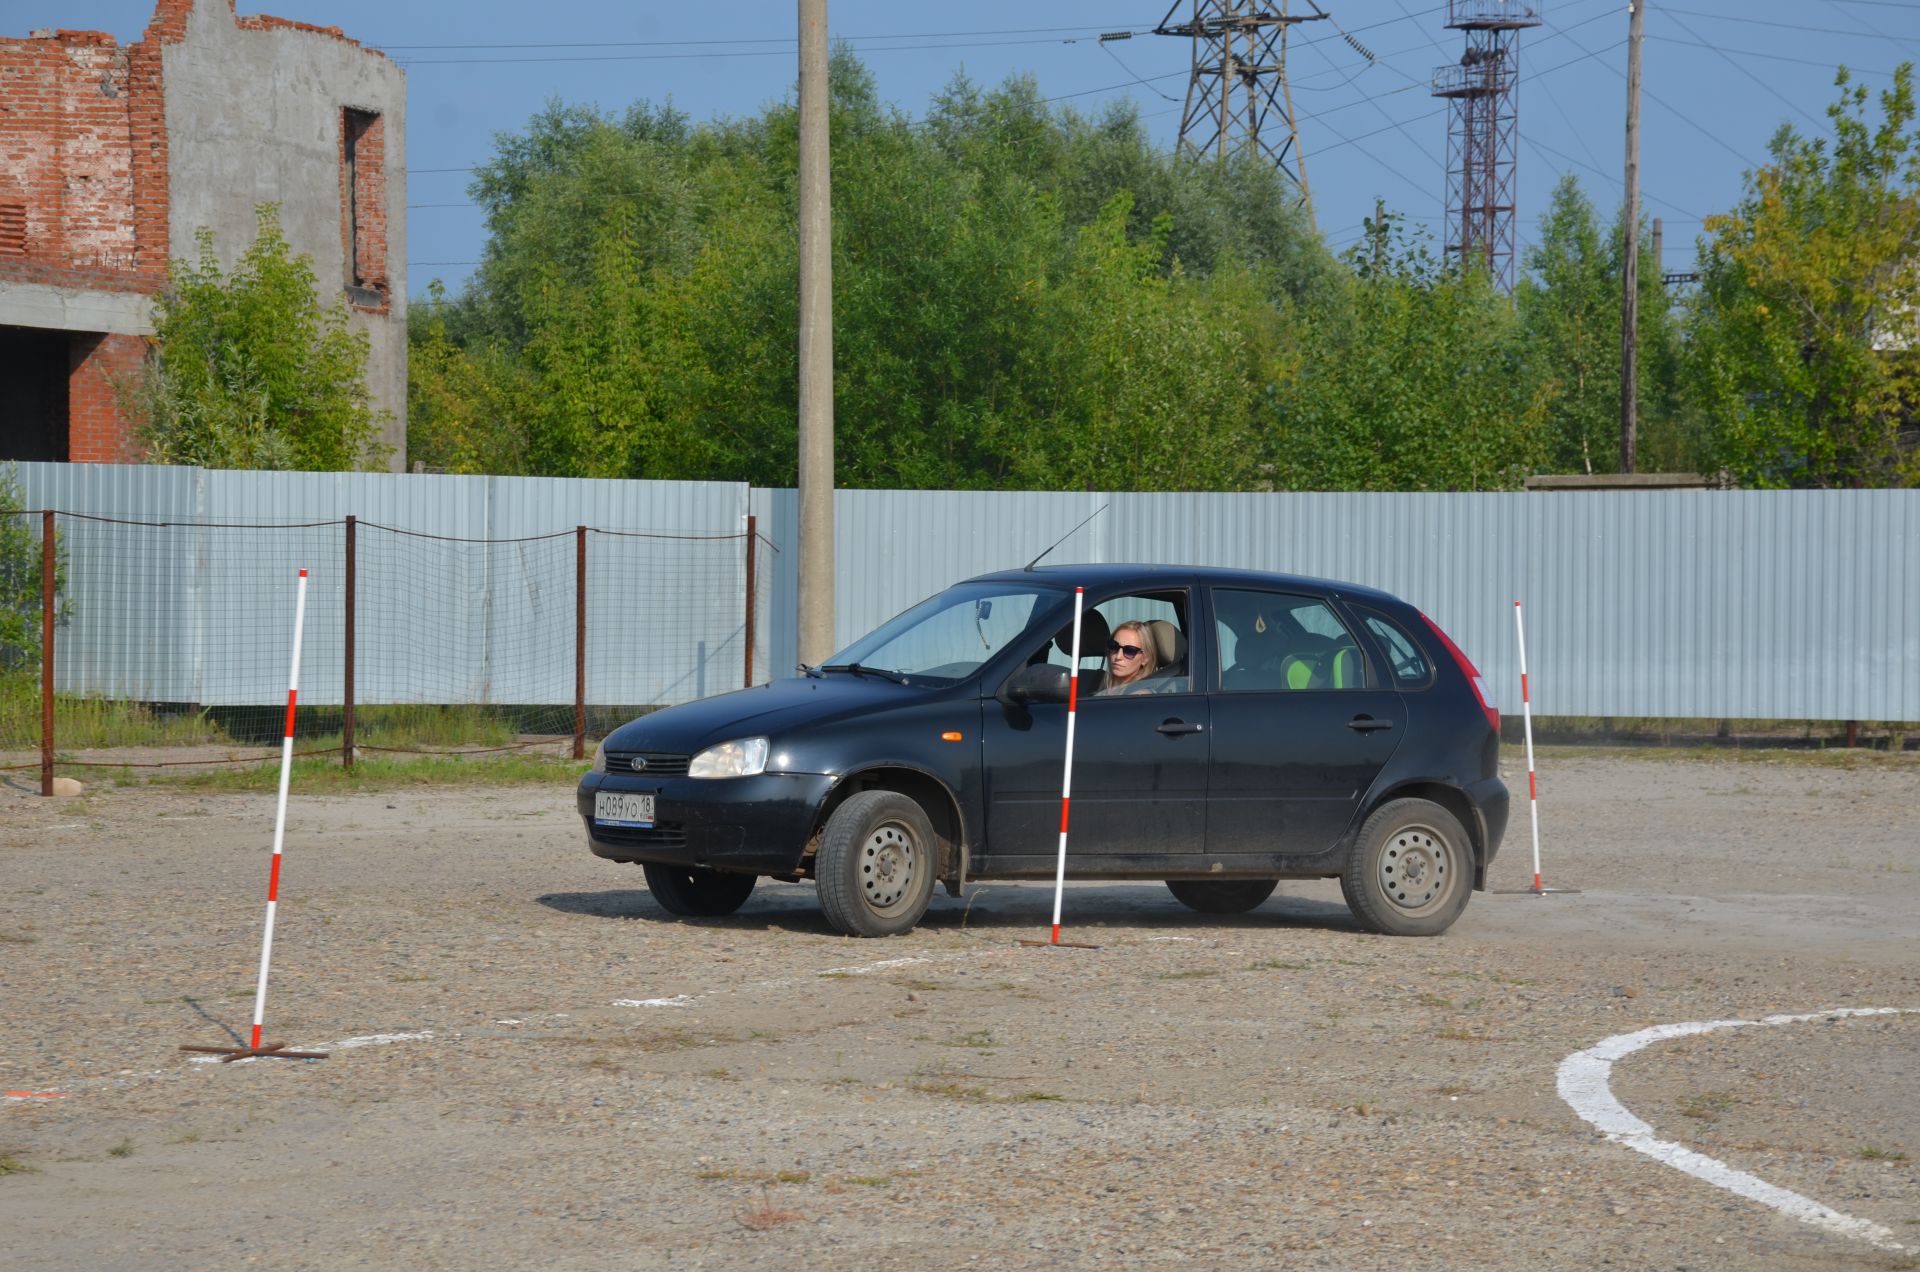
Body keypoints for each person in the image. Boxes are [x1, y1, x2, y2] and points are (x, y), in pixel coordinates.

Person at [1097, 621, 1160, 695]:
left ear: (1145, 659)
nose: (1118, 656)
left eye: (1130, 651)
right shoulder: (1095, 684)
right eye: (1114, 646)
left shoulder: (1140, 696)